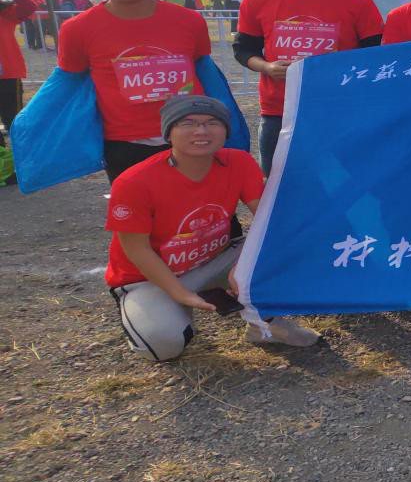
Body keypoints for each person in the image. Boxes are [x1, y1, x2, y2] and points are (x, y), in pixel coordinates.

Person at [106, 95, 319, 361]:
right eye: (188, 123)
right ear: (168, 133)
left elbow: (269, 221)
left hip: (214, 259)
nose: (201, 131)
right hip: (147, 278)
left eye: (212, 123)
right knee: (164, 345)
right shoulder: (134, 182)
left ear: (226, 132)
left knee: (294, 248)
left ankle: (263, 324)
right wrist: (182, 295)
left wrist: (244, 265)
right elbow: (137, 249)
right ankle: (163, 311)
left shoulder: (238, 162)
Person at [233, 0, 384, 176]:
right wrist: (267, 67)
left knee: (347, 184)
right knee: (281, 186)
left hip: (339, 109)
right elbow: (243, 49)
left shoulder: (358, 2)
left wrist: (338, 69)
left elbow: (375, 56)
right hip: (280, 111)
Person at [58, 0, 213, 182]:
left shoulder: (190, 21)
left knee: (200, 201)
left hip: (191, 133)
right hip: (123, 142)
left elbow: (200, 62)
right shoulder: (76, 29)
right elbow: (72, 76)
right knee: (136, 205)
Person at [0, 0, 37, 136]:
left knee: (13, 119)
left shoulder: (5, 11)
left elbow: (29, 6)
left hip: (6, 74)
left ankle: (19, 148)